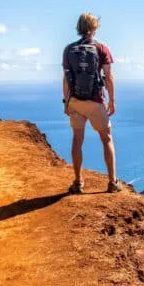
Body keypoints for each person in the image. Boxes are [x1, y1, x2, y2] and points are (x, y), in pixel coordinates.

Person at [62, 13, 123, 194]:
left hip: (75, 101)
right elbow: (109, 77)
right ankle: (112, 183)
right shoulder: (102, 49)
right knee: (107, 139)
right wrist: (111, 100)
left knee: (77, 140)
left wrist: (66, 102)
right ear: (95, 28)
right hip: (95, 101)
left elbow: (66, 78)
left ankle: (78, 183)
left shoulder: (69, 50)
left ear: (79, 28)